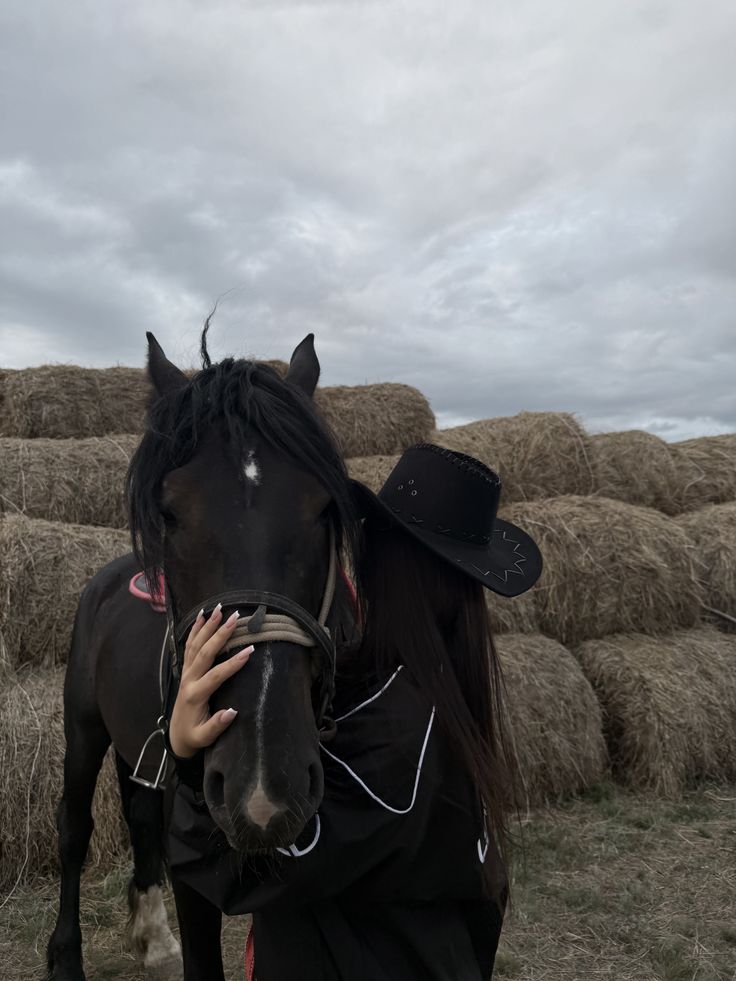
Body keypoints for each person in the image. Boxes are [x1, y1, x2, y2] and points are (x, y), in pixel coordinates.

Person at [166, 443, 542, 981]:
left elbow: (245, 875)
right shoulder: (440, 698)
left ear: (385, 563)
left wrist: (184, 753)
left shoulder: (394, 737)